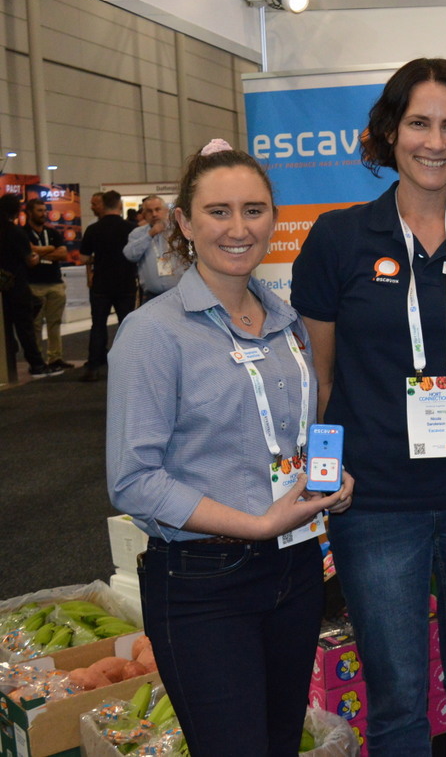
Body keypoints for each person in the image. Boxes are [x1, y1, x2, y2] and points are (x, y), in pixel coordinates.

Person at [292, 58, 446, 755]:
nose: (435, 141)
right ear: (390, 131)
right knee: (396, 699)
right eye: (419, 122)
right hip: (376, 503)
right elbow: (318, 381)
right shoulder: (339, 239)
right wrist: (323, 480)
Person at [106, 140, 354, 756]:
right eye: (218, 212)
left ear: (273, 218)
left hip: (295, 567)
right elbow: (133, 480)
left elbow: (286, 436)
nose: (238, 228)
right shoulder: (153, 332)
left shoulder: (286, 321)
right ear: (185, 223)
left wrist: (328, 480)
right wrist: (257, 524)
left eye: (253, 210)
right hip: (203, 582)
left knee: (282, 743)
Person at [79, 189, 137, 381]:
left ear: (103, 204)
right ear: (120, 205)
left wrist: (96, 261)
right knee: (127, 325)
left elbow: (83, 258)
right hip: (125, 284)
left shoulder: (93, 229)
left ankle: (93, 366)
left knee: (98, 325)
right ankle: (130, 366)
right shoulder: (131, 229)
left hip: (101, 285)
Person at [1, 194, 60, 378]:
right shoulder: (16, 232)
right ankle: (37, 364)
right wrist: (44, 252)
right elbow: (30, 259)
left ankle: (7, 360)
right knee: (26, 327)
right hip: (17, 286)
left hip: (3, 287)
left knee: (4, 328)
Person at [22, 198, 72, 370]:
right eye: (39, 211)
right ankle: (37, 361)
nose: (43, 214)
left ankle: (55, 358)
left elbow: (63, 254)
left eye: (44, 210)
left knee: (54, 322)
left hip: (55, 283)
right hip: (33, 285)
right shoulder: (23, 233)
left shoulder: (52, 233)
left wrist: (38, 251)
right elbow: (27, 256)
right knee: (35, 325)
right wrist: (50, 249)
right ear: (29, 212)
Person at [125, 194, 184, 302]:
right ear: (144, 214)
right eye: (149, 211)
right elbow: (130, 255)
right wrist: (150, 234)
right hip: (151, 296)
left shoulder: (179, 231)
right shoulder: (137, 233)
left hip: (180, 294)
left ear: (166, 210)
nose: (154, 214)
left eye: (157, 209)